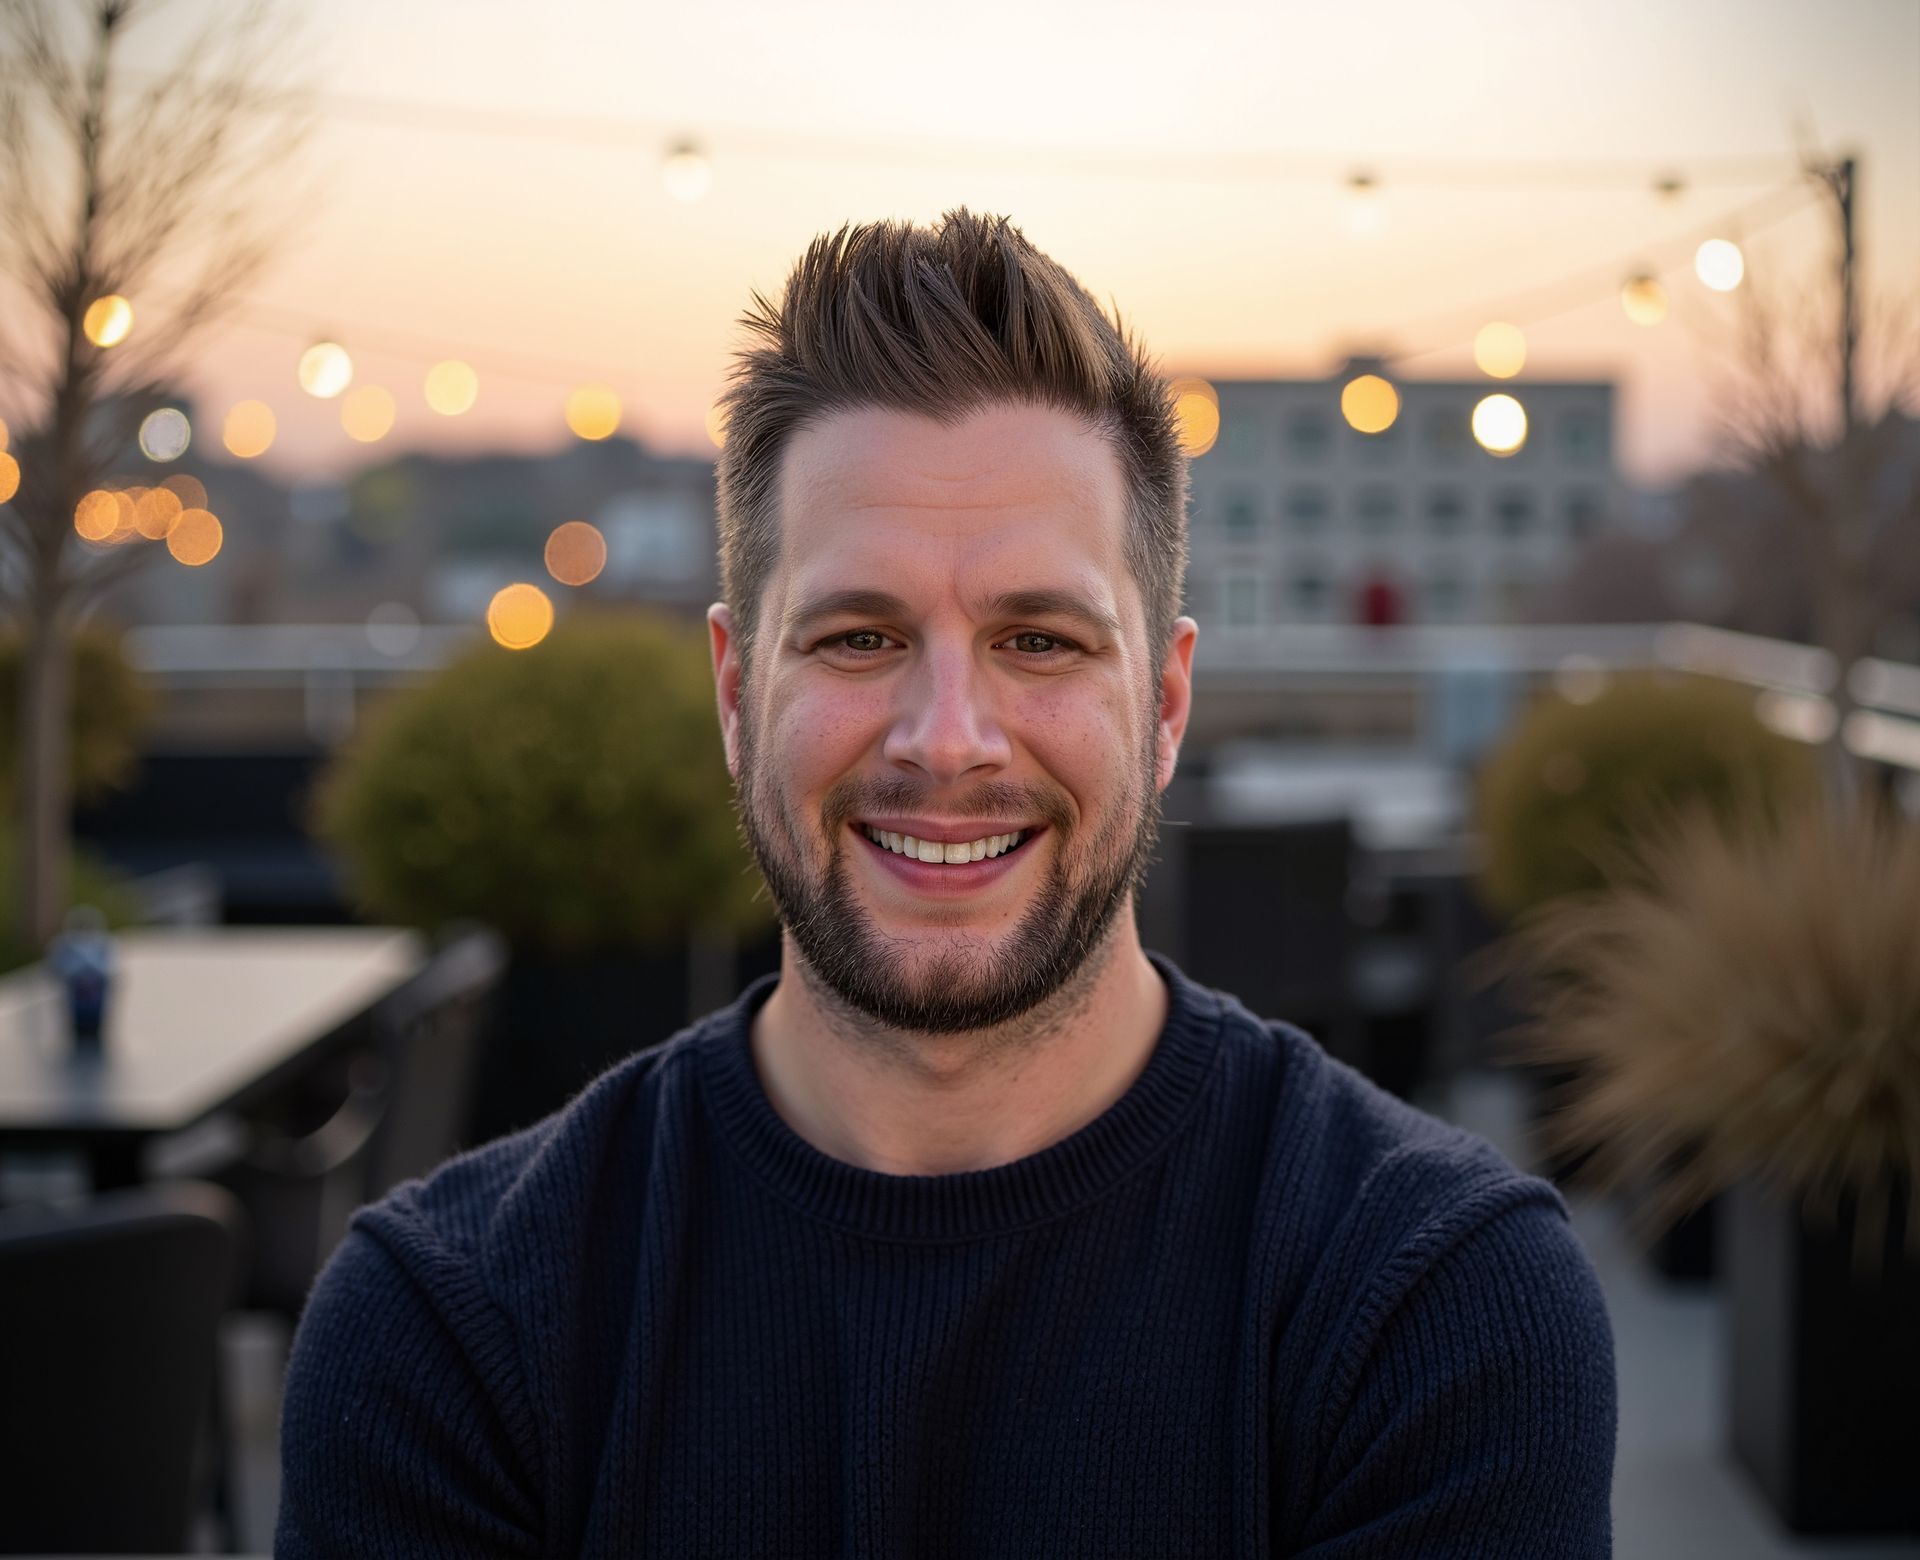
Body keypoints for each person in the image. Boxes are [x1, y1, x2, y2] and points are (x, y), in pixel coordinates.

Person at [277, 210, 1616, 1557]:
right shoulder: (452, 1334)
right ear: (739, 695)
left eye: (1039, 640)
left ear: (1164, 702)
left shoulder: (1435, 1306)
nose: (948, 737)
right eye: (860, 637)